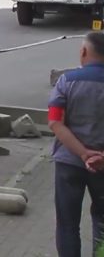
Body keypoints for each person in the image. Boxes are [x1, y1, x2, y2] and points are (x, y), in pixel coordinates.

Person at [48, 32, 104, 257]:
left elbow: (54, 122)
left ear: (83, 52)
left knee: (67, 224)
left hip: (68, 163)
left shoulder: (66, 81)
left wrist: (82, 154)